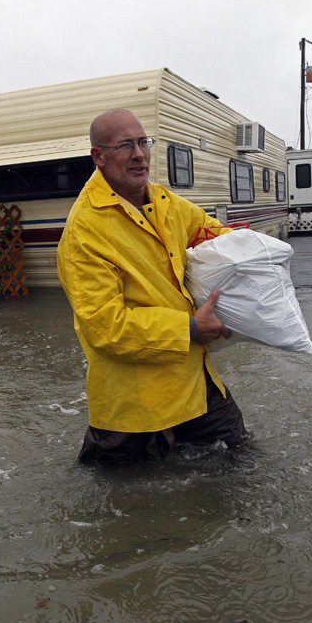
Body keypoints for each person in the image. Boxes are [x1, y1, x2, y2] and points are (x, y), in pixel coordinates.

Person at [56, 108, 248, 464]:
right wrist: (190, 328)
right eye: (125, 145)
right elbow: (105, 327)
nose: (139, 154)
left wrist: (254, 253)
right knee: (118, 490)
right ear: (98, 156)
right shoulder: (84, 231)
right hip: (134, 406)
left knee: (242, 463)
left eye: (143, 142)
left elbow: (212, 234)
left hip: (194, 384)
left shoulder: (164, 202)